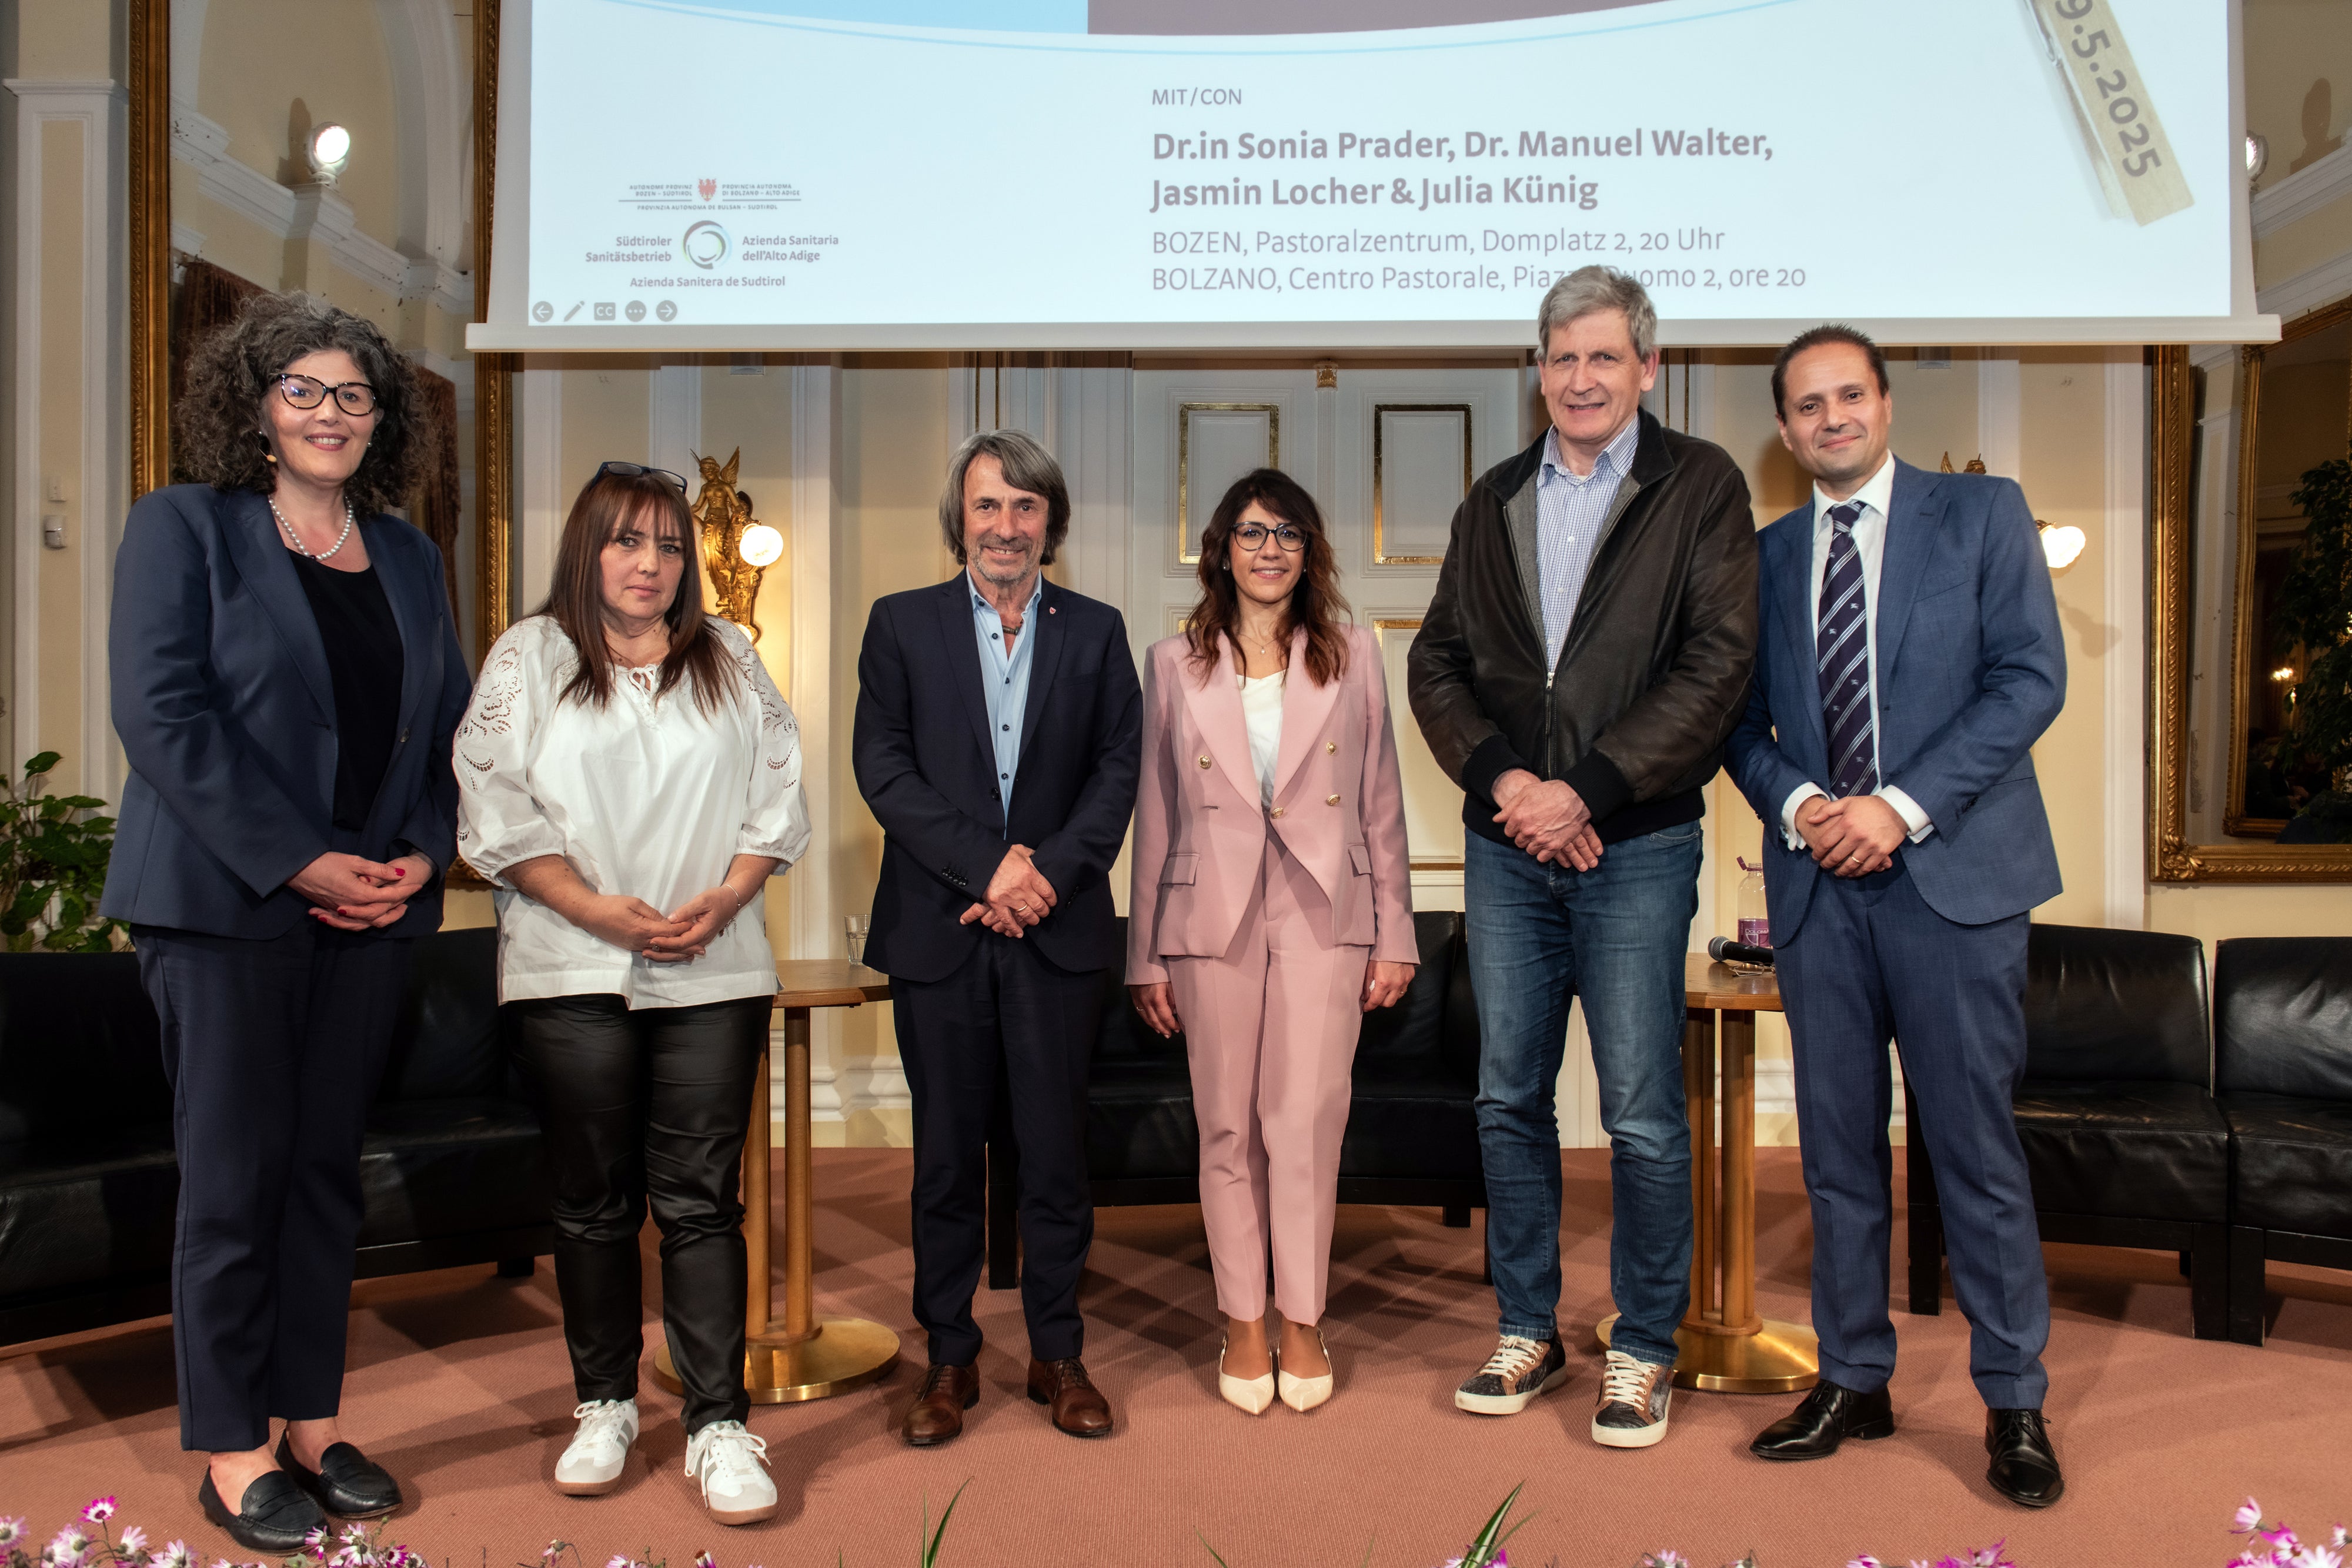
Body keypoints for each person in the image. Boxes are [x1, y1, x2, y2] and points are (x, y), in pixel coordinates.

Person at [102, 292, 470, 1551]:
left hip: (371, 912)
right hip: (224, 907)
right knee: (232, 1177)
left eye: (354, 394)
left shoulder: (409, 555)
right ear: (255, 406)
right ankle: (228, 1441)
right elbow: (163, 718)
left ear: (383, 421)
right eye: (303, 390)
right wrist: (302, 859)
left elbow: (445, 731)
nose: (330, 413)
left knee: (323, 1174)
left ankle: (309, 1416)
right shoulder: (185, 528)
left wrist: (421, 854)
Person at [1407, 265, 1757, 1449]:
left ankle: (1642, 1345)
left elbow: (1715, 666)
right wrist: (1508, 783)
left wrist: (1588, 789)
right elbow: (1437, 664)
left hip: (1637, 842)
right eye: (1560, 358)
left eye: (1603, 357)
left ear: (1645, 368)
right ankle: (1526, 1325)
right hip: (1507, 843)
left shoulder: (1697, 484)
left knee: (1642, 1110)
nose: (1579, 378)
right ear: (1538, 370)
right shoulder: (1494, 494)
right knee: (1506, 1096)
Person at [1724, 325, 2067, 1507]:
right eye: (1805, 404)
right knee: (1832, 1154)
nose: (1830, 418)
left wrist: (1898, 806)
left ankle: (2011, 1399)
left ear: (1881, 401)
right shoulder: (1762, 557)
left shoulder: (1980, 517)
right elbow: (1736, 726)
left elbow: (2028, 677)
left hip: (1953, 882)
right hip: (1821, 890)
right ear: (1784, 428)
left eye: (1847, 395)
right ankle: (1852, 1375)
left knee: (1969, 1149)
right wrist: (1813, 803)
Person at [455, 463, 810, 1526]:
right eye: (626, 542)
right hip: (572, 964)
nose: (649, 564)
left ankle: (716, 1424)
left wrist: (732, 890)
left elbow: (778, 789)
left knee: (702, 1203)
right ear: (587, 548)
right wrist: (594, 908)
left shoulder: (733, 656)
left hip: (715, 963)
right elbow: (492, 800)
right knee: (593, 1201)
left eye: (666, 546)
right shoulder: (529, 654)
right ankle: (604, 1403)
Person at [853, 429, 1141, 1447]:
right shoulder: (901, 625)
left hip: (1058, 936)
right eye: (988, 507)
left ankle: (1058, 1353)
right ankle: (949, 1357)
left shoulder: (1099, 633)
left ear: (1050, 523)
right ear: (960, 521)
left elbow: (1118, 774)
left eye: (1025, 508)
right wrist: (990, 869)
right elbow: (883, 769)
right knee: (944, 1159)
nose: (1005, 527)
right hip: (941, 930)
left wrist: (1044, 877)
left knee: (1057, 1155)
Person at [1126, 469, 1418, 1416]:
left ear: (1310, 550)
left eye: (1288, 533)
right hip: (1209, 914)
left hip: (1322, 913)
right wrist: (1145, 953)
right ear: (1221, 547)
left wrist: (1395, 935)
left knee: (1305, 1125)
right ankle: (1242, 1319)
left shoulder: (1353, 656)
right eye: (1252, 532)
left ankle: (1302, 1317)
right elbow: (1156, 811)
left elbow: (1381, 803)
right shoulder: (1173, 662)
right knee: (1225, 1126)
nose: (1269, 550)